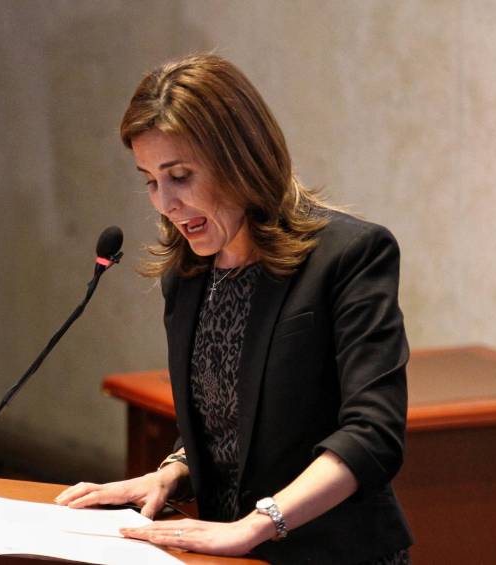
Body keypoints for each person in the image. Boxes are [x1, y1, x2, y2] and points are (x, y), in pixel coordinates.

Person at [55, 54, 412, 565]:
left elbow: (373, 435)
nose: (165, 203)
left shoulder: (349, 256)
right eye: (151, 180)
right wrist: (171, 473)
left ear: (241, 160)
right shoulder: (188, 274)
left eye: (180, 176)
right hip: (229, 556)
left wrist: (257, 526)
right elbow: (230, 422)